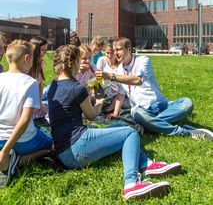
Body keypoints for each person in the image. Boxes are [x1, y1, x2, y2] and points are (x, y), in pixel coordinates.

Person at [48, 44, 181, 201]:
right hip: (77, 149)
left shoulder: (53, 85)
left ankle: (148, 164)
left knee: (118, 130)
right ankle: (131, 184)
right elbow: (91, 115)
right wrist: (100, 101)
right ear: (75, 61)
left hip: (63, 151)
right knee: (130, 132)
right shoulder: (77, 88)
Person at [95, 37, 213, 141]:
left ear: (129, 49)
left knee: (187, 103)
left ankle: (150, 124)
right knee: (136, 113)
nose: (115, 53)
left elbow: (138, 80)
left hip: (161, 105)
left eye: (118, 49)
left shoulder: (143, 60)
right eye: (114, 50)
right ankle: (184, 132)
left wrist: (111, 76)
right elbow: (121, 94)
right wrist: (115, 113)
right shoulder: (119, 70)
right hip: (141, 110)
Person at [0, 40, 53, 188]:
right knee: (53, 146)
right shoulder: (30, 83)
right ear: (26, 58)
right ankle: (14, 160)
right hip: (23, 141)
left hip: (0, 140)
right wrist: (6, 151)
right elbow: (24, 120)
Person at [96, 40, 127, 119]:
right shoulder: (102, 60)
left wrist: (113, 108)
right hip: (103, 92)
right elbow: (97, 80)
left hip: (118, 94)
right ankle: (98, 107)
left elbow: (122, 89)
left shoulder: (121, 65)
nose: (109, 56)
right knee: (105, 83)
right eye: (107, 53)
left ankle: (110, 107)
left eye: (112, 53)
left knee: (128, 104)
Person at [29, 36, 48, 121]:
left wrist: (40, 102)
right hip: (30, 98)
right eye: (42, 50)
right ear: (35, 50)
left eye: (46, 49)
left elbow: (40, 84)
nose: (45, 52)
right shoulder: (28, 66)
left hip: (38, 95)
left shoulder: (40, 63)